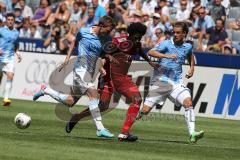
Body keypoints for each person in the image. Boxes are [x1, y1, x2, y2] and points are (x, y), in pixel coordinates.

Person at [65, 22, 159, 142]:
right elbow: (103, 52)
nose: (138, 39)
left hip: (121, 78)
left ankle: (124, 133)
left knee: (134, 100)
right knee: (103, 106)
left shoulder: (136, 44)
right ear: (130, 34)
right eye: (136, 36)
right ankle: (77, 117)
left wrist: (149, 61)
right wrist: (102, 65)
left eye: (140, 36)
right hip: (108, 78)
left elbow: (139, 49)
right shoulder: (118, 41)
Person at [33, 16, 116, 138]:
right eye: (108, 30)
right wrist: (67, 59)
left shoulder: (105, 39)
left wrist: (101, 67)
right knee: (94, 95)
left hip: (90, 72)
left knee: (69, 101)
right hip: (80, 70)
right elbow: (74, 42)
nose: (109, 33)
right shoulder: (83, 31)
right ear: (101, 26)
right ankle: (100, 129)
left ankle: (45, 90)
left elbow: (101, 56)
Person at [137, 22, 204, 143]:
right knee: (145, 111)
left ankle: (193, 133)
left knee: (188, 103)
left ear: (184, 34)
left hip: (176, 83)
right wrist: (166, 56)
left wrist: (192, 68)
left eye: (178, 33)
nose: (175, 34)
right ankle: (129, 124)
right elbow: (150, 52)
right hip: (161, 82)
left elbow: (190, 55)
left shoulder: (187, 46)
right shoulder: (166, 44)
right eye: (174, 32)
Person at [0, 13, 21, 106]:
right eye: (8, 19)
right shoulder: (1, 30)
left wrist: (18, 54)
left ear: (14, 21)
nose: (10, 21)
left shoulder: (16, 32)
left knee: (10, 75)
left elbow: (15, 45)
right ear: (6, 21)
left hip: (9, 57)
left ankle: (6, 99)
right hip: (0, 57)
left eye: (12, 20)